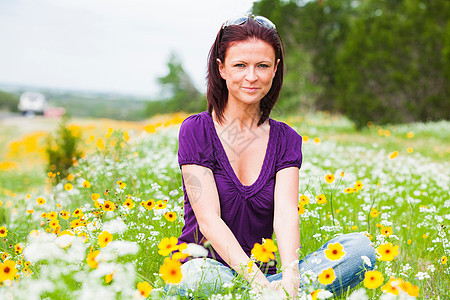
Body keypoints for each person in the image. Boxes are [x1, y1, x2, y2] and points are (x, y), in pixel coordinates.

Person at [167, 14, 376, 299]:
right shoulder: (196, 130)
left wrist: (290, 277)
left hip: (267, 276)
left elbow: (286, 213)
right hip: (205, 269)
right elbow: (208, 222)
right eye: (240, 65)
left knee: (361, 249)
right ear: (222, 69)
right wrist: (256, 283)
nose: (251, 77)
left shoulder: (286, 139)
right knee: (198, 278)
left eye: (262, 66)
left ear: (275, 69)